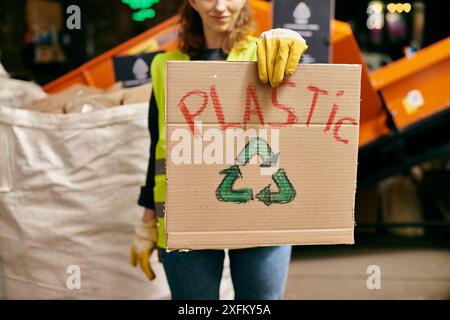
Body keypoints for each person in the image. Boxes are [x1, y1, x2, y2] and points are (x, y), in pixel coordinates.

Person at [130, 0, 308, 300]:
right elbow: (157, 148)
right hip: (185, 215)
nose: (220, 5)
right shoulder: (166, 67)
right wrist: (147, 220)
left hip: (262, 207)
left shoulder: (264, 56)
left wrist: (291, 46)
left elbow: (297, 119)